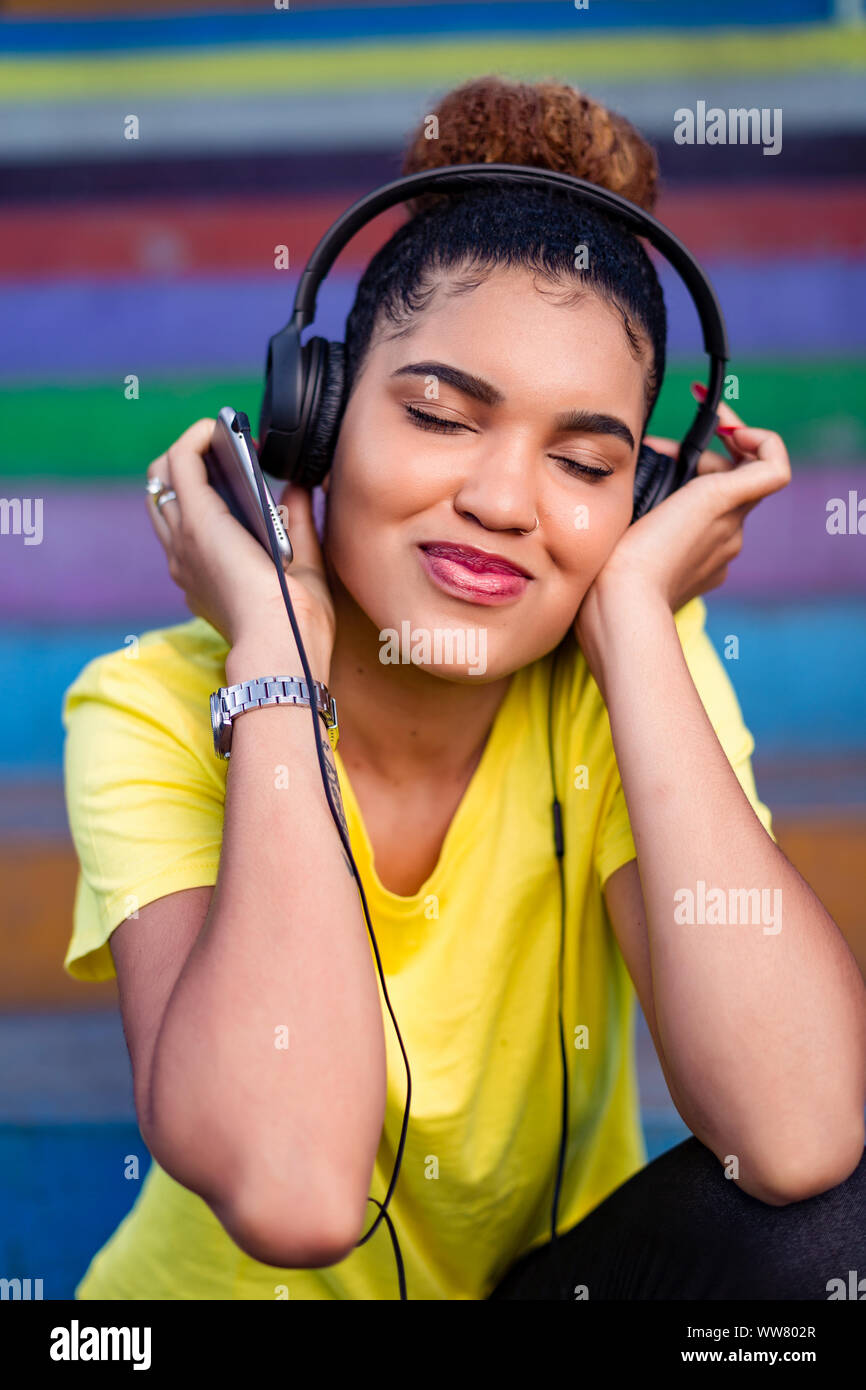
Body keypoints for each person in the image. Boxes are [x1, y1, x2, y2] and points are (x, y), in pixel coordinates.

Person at [62, 76, 865, 1301]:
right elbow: (297, 1190)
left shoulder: (620, 672)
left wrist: (636, 618)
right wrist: (275, 658)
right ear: (310, 420)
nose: (502, 500)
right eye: (439, 415)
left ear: (641, 499)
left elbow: (799, 1132)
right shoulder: (146, 710)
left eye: (584, 461)